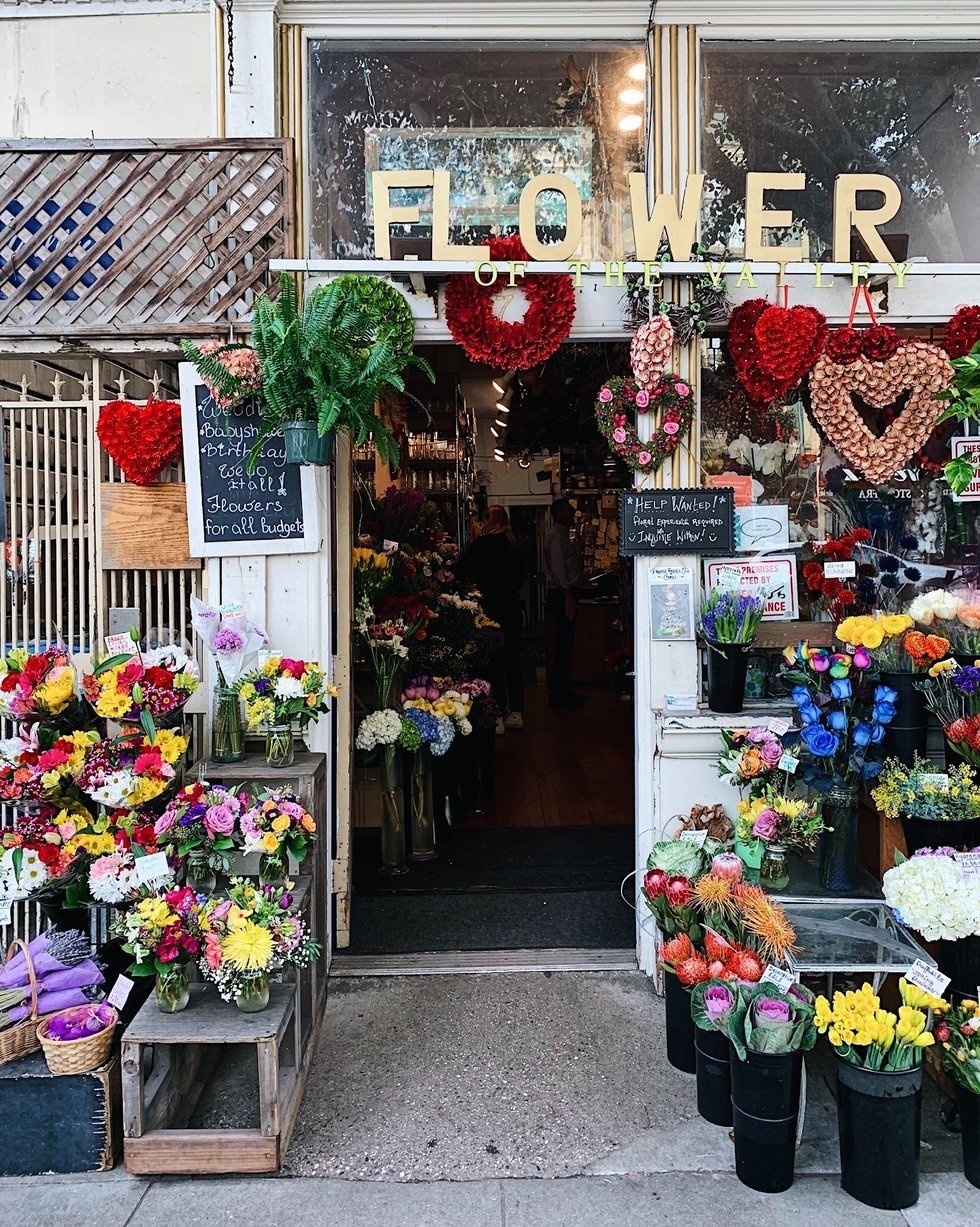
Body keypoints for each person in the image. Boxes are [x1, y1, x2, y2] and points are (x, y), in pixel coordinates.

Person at [456, 505, 526, 731]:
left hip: (489, 608)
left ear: (490, 522)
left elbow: (460, 569)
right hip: (512, 607)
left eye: (483, 520)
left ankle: (495, 715)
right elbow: (521, 577)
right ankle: (516, 712)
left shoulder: (482, 545)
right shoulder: (513, 544)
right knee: (513, 659)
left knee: (491, 660)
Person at [543, 498, 586, 709]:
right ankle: (559, 693)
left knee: (565, 644)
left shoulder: (560, 535)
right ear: (559, 513)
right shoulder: (557, 536)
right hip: (561, 595)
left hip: (563, 593)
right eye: (569, 511)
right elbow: (559, 569)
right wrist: (568, 595)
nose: (573, 514)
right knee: (563, 643)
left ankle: (563, 690)